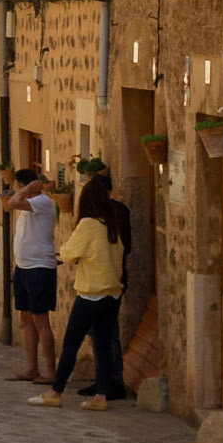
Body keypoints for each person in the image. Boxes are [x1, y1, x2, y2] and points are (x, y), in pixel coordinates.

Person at [31, 175, 125, 411]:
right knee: (103, 346)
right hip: (112, 294)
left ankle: (55, 392)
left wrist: (64, 253)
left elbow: (69, 253)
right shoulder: (111, 225)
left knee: (70, 345)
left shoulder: (89, 225)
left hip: (91, 293)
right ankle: (101, 396)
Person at [75, 167, 131, 399]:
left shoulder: (98, 217)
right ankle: (105, 380)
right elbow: (127, 246)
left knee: (103, 334)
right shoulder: (120, 211)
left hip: (98, 282)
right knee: (104, 333)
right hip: (116, 279)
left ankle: (111, 380)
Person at [1, 165, 57, 384]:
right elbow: (11, 204)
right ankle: (32, 368)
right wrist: (25, 190)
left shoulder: (42, 202)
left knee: (40, 319)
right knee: (26, 319)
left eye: (18, 187)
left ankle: (50, 371)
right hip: (23, 267)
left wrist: (28, 189)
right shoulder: (28, 205)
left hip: (39, 267)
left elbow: (12, 203)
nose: (17, 191)